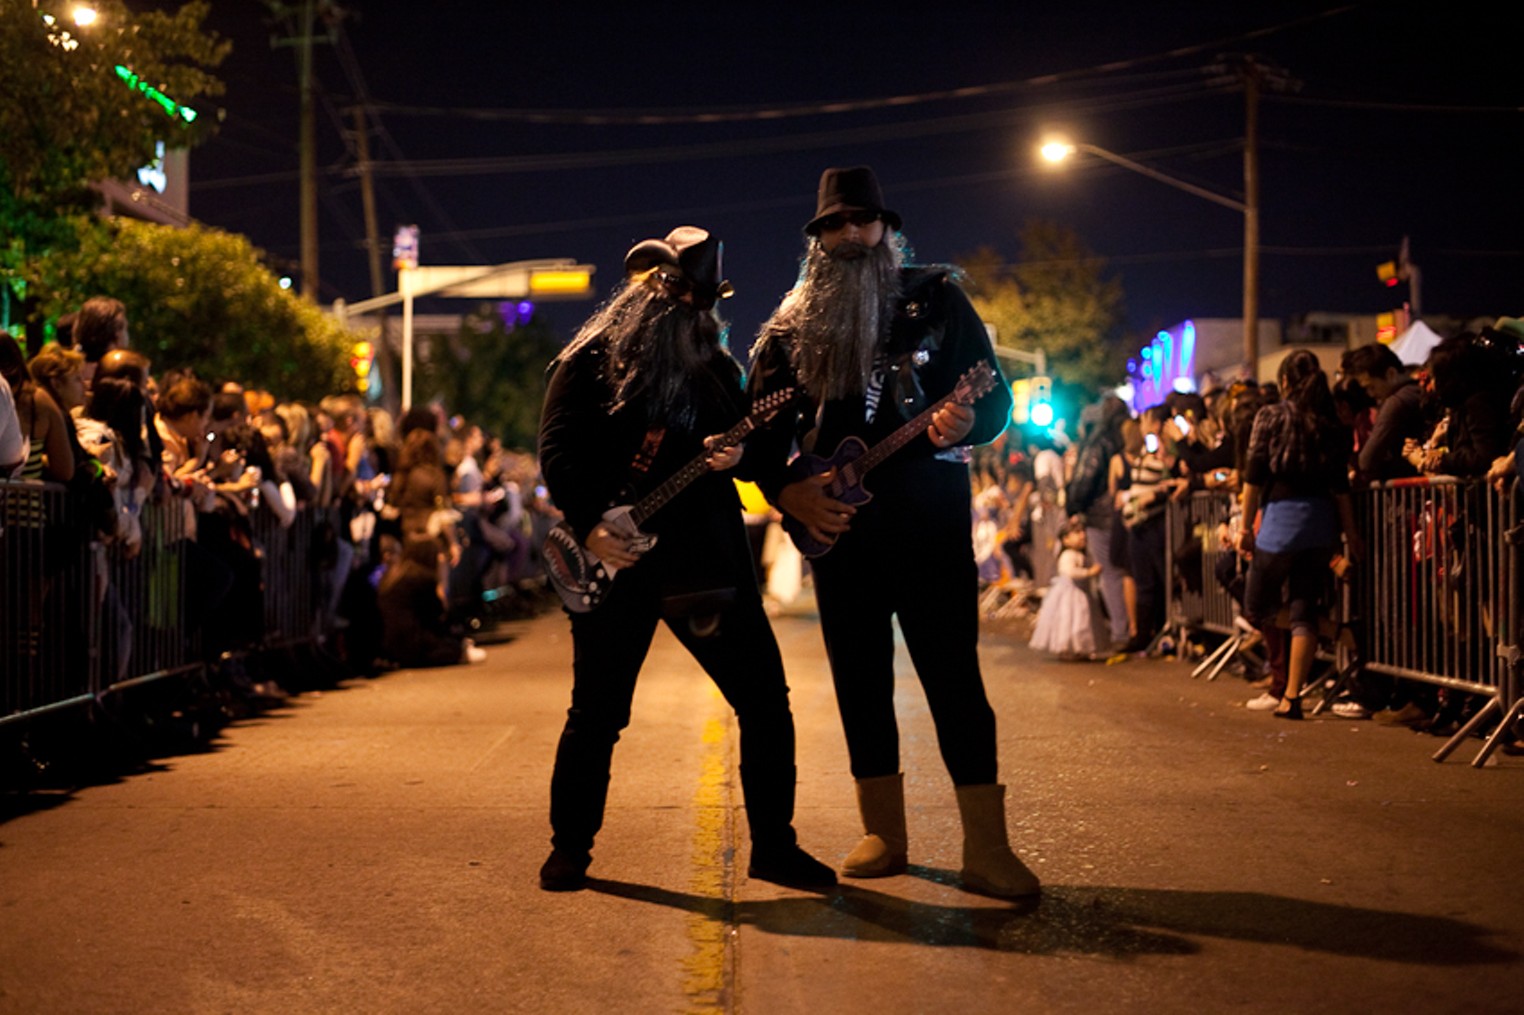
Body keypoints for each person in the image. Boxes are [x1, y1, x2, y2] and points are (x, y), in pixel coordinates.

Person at [746, 166, 1037, 898]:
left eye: (863, 221)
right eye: (836, 224)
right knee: (861, 681)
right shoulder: (787, 331)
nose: (851, 235)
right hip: (841, 537)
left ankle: (987, 846)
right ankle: (885, 831)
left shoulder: (937, 298)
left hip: (932, 526)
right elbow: (756, 436)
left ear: (885, 229)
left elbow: (995, 394)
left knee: (955, 679)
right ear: (816, 238)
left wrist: (973, 418)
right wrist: (786, 491)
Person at [536, 226, 834, 892]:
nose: (683, 308)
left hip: (706, 563)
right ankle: (569, 848)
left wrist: (742, 456)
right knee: (597, 712)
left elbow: (758, 455)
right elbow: (557, 449)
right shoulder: (588, 360)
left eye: (696, 298)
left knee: (763, 701)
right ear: (644, 289)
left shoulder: (720, 372)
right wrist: (589, 525)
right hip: (617, 559)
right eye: (671, 290)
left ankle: (775, 847)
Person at [1236, 349, 1362, 719]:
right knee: (1303, 605)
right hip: (1321, 522)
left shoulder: (1272, 415)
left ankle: (1336, 630)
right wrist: (1351, 535)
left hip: (1282, 522)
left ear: (1286, 381)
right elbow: (1340, 486)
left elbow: (1253, 477)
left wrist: (1245, 528)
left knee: (1257, 605)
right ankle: (1292, 697)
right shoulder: (1329, 421)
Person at [1028, 520, 1104, 659]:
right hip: (1070, 594)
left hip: (1081, 593)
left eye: (1082, 532)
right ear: (1065, 539)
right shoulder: (1067, 555)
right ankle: (1067, 648)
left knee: (1082, 621)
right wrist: (1089, 572)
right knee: (1069, 621)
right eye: (1076, 533)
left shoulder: (1082, 555)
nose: (1082, 536)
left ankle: (1080, 647)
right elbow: (1068, 571)